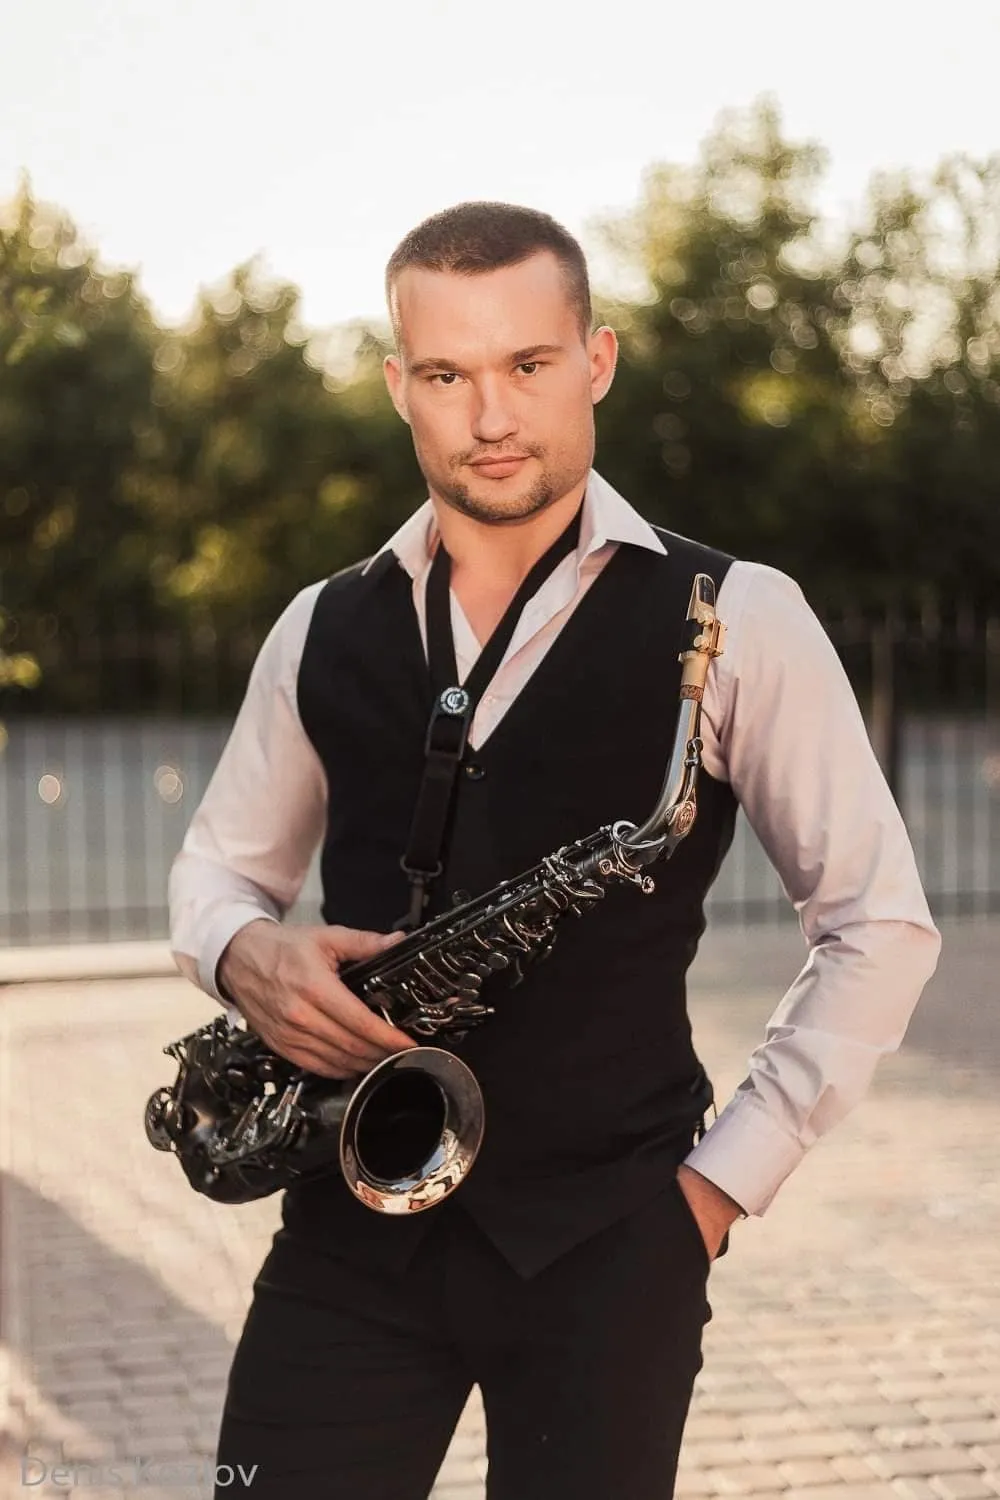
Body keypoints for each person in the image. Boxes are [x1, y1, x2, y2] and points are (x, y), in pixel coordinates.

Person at [168, 201, 941, 1499]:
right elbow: (216, 868)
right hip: (348, 1223)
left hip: (611, 1243)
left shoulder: (738, 616)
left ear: (596, 360)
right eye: (446, 374)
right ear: (397, 385)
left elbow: (881, 924)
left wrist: (712, 1197)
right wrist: (243, 950)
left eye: (527, 364)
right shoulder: (319, 624)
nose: (490, 415)